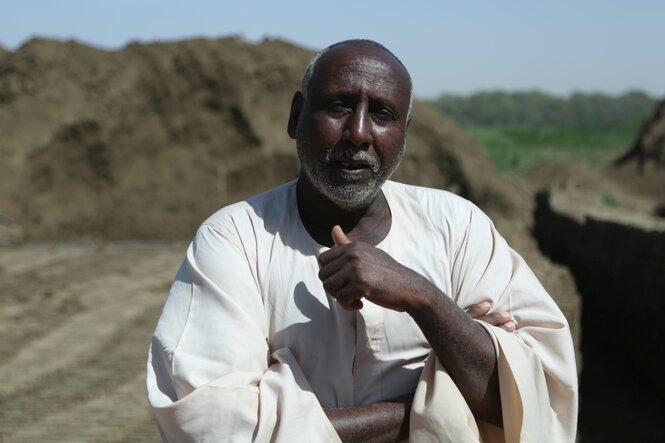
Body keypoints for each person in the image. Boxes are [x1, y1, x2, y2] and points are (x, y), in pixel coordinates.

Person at [147, 39, 578, 442]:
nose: (358, 132)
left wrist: (422, 296)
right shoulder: (234, 239)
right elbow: (210, 422)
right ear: (296, 116)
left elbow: (532, 393)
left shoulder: (457, 226)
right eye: (338, 106)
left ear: (404, 134)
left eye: (383, 114)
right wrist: (431, 410)